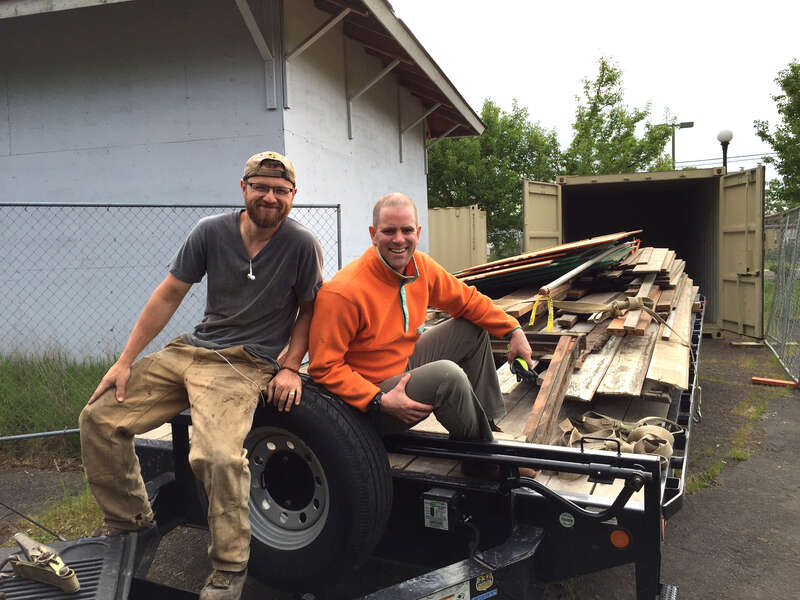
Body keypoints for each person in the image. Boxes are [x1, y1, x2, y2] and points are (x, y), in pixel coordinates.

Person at [79, 151, 323, 600]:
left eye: (280, 190)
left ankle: (229, 567)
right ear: (244, 188)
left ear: (293, 195)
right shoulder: (210, 231)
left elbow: (310, 310)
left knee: (217, 458)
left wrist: (291, 366)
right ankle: (130, 524)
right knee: (99, 418)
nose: (270, 197)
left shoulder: (301, 245)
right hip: (191, 350)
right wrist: (125, 360)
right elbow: (169, 294)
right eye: (261, 187)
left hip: (243, 365)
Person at [308, 193, 534, 476]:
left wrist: (513, 329)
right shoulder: (344, 292)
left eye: (407, 230)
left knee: (471, 328)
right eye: (389, 231)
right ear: (373, 235)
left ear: (418, 232)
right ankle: (483, 462)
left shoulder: (420, 267)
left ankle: (483, 429)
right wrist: (379, 399)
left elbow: (466, 301)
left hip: (399, 369)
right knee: (447, 376)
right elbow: (323, 367)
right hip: (366, 406)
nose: (399, 240)